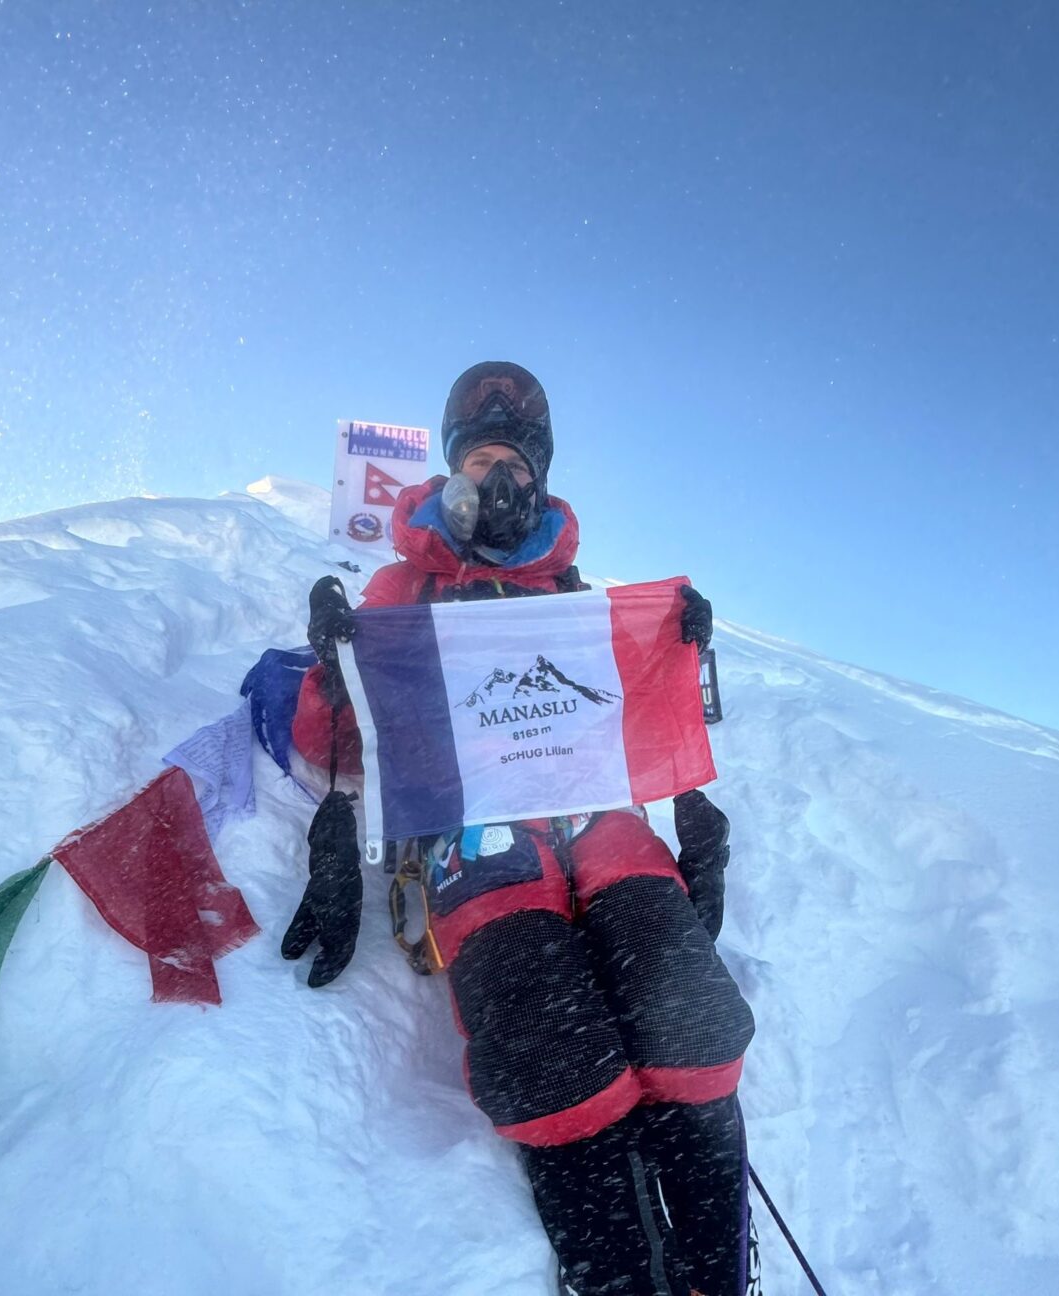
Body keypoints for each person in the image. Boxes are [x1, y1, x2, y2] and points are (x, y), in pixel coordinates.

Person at [284, 361, 757, 1296]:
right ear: (451, 474)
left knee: (688, 1015)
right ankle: (616, 1273)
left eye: (517, 469)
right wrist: (333, 666)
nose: (499, 484)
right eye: (481, 465)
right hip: (470, 825)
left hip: (592, 811)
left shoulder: (575, 595)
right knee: (547, 1035)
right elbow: (335, 741)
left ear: (540, 483)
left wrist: (674, 650)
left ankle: (716, 1269)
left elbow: (629, 716)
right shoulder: (401, 589)